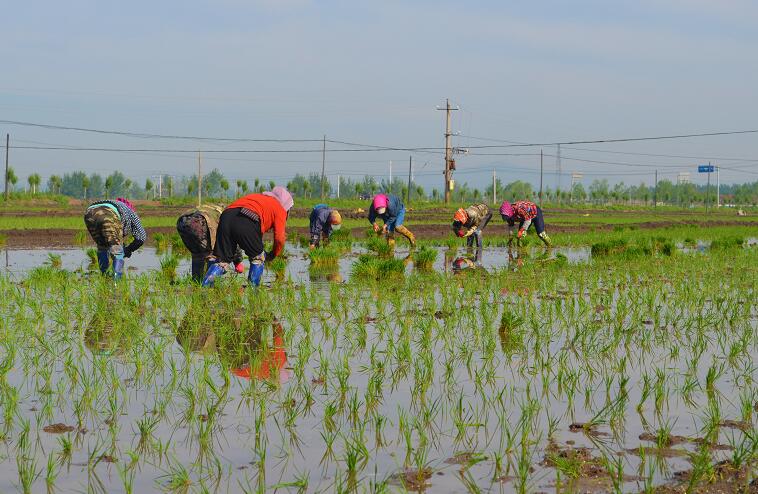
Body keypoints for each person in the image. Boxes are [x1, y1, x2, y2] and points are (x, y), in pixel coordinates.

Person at [202, 186, 294, 288]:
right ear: (286, 205)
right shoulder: (279, 208)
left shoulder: (257, 197)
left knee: (222, 260)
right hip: (248, 219)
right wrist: (273, 254)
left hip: (226, 216)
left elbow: (255, 234)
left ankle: (205, 287)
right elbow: (279, 238)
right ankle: (253, 291)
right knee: (258, 257)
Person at [176, 204, 245, 282]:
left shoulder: (212, 208)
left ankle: (196, 282)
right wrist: (237, 262)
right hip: (200, 221)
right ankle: (209, 285)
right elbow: (233, 241)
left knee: (197, 254)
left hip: (181, 222)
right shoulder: (227, 216)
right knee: (212, 254)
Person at [83, 197, 146, 280]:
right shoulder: (132, 213)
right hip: (109, 214)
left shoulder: (119, 206)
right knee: (118, 252)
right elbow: (142, 236)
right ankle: (116, 282)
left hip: (89, 213)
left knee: (102, 246)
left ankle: (104, 279)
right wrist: (128, 250)